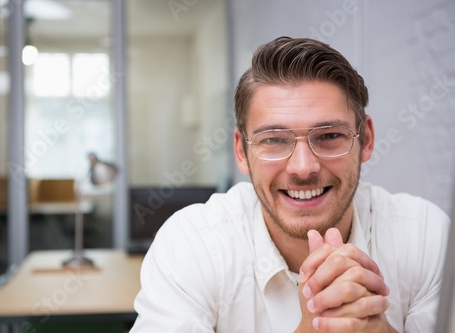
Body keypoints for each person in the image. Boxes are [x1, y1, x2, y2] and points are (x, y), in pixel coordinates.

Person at [129, 37, 450, 333]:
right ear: (242, 151)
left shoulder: (425, 237)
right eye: (274, 140)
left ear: (365, 140)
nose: (303, 167)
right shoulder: (193, 244)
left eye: (328, 136)